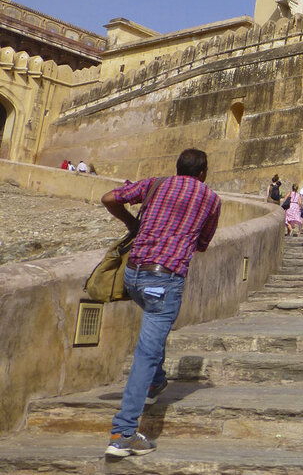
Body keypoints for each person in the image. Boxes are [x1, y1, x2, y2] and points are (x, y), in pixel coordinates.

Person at [100, 148, 220, 458]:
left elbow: (109, 198)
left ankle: (156, 382)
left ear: (178, 168)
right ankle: (123, 432)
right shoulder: (211, 199)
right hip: (163, 280)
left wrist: (132, 223)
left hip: (133, 275)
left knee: (155, 325)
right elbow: (203, 245)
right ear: (204, 173)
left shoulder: (156, 183)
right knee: (147, 351)